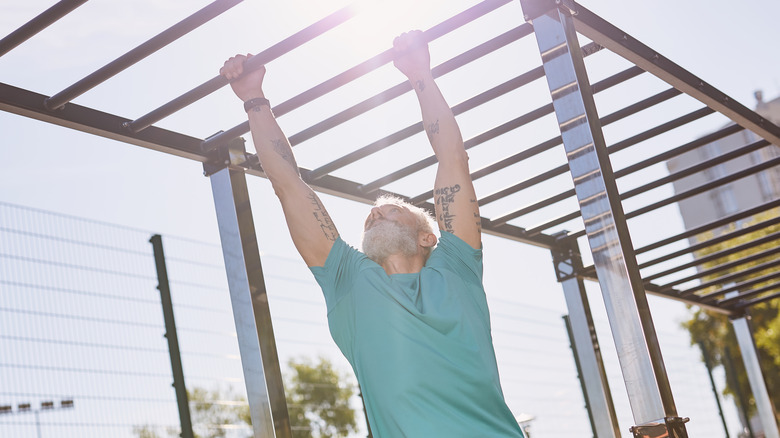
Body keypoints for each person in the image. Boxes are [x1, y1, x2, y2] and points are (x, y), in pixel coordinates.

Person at [220, 30, 525, 438]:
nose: (375, 211)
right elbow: (288, 186)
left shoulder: (457, 267)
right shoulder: (350, 280)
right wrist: (254, 99)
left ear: (426, 237)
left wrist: (420, 74)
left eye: (392, 209)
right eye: (371, 214)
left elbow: (453, 159)